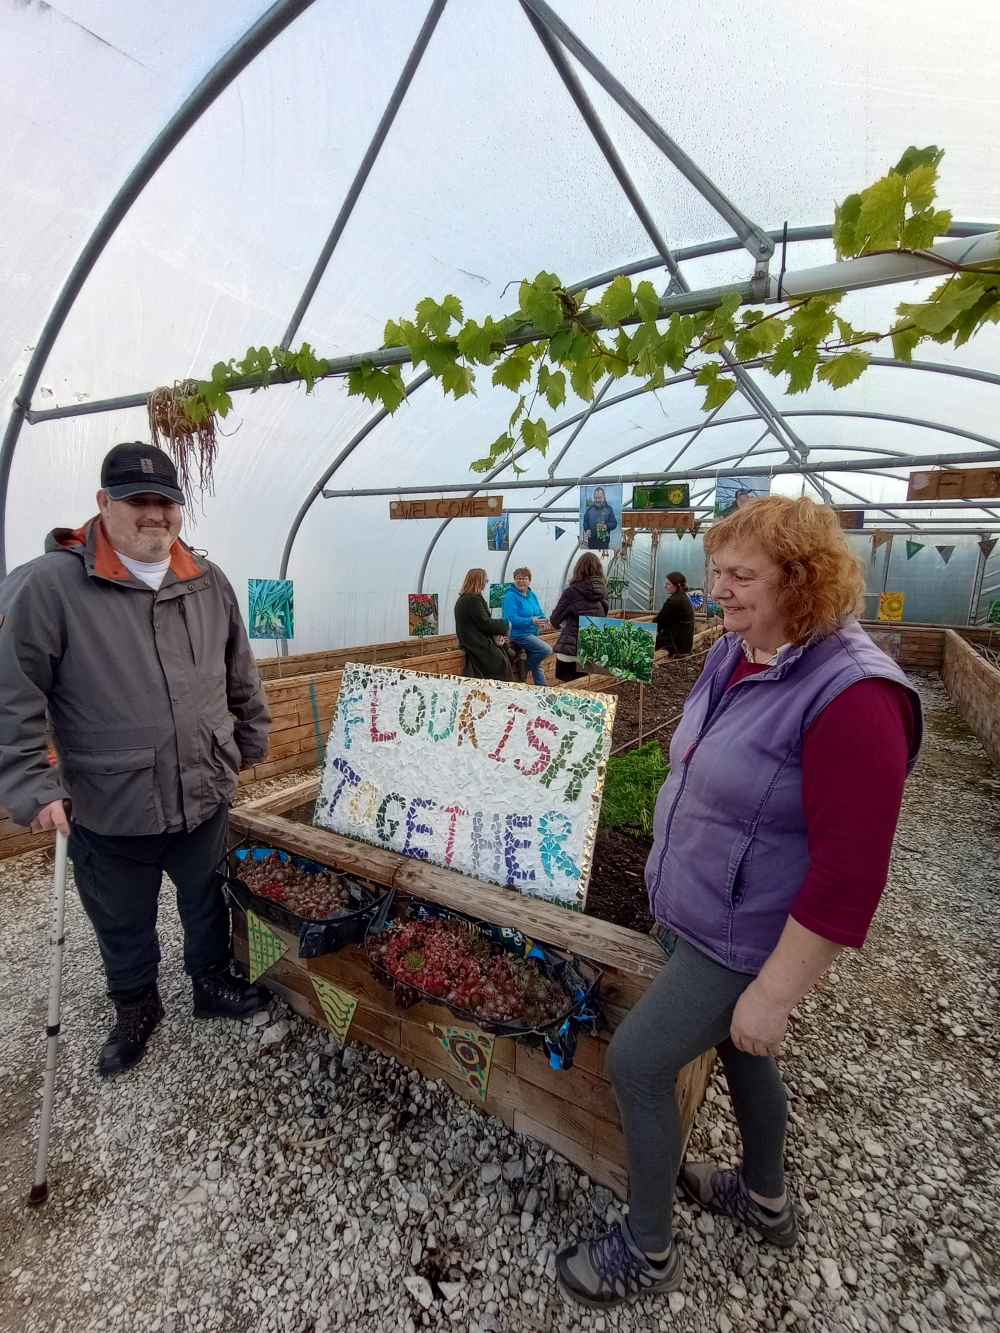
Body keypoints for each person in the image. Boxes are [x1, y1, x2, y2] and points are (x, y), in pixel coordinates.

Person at [555, 496, 922, 1310]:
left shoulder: (856, 697)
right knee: (740, 1052)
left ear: (802, 580)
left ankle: (646, 1251)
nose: (720, 588)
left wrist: (774, 992)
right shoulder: (742, 651)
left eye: (741, 575)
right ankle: (764, 1199)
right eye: (717, 570)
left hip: (741, 935)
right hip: (696, 906)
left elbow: (850, 876)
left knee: (640, 1063)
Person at [0, 442, 272, 1078]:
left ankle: (210, 982)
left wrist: (250, 736)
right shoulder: (49, 587)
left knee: (206, 898)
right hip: (109, 799)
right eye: (137, 501)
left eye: (166, 502)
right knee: (122, 915)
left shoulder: (206, 580)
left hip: (203, 783)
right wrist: (32, 785)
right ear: (104, 504)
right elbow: (13, 697)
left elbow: (240, 668)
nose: (154, 514)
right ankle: (136, 1005)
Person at [549, 553, 609, 682]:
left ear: (578, 569)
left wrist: (566, 622)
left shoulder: (571, 592)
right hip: (591, 650)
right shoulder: (603, 591)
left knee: (568, 693)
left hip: (570, 652)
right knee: (587, 693)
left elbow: (555, 620)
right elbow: (603, 617)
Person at [454, 568, 511, 680]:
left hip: (473, 641)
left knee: (503, 658)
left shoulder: (464, 599)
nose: (486, 583)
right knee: (499, 666)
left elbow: (481, 622)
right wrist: (505, 624)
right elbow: (485, 623)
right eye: (485, 580)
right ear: (478, 581)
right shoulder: (472, 600)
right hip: (477, 644)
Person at [502, 568, 552, 685]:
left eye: (524, 578)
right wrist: (531, 621)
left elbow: (539, 612)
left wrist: (543, 620)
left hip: (532, 633)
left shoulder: (531, 595)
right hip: (518, 634)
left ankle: (543, 690)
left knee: (538, 665)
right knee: (546, 650)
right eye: (518, 578)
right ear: (514, 580)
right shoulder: (510, 596)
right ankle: (523, 670)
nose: (521, 581)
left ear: (529, 581)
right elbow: (511, 619)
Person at [655, 571, 695, 656]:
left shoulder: (673, 601)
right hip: (686, 645)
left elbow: (659, 621)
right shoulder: (683, 597)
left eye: (668, 584)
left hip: (676, 645)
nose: (665, 586)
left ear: (678, 585)